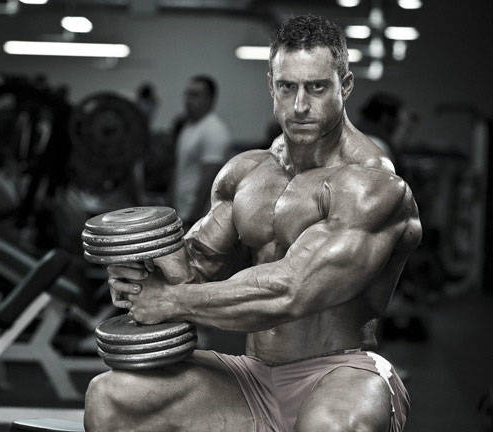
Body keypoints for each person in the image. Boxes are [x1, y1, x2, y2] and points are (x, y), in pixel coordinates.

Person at [85, 14, 421, 432]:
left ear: (345, 86)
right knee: (110, 396)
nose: (300, 105)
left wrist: (169, 301)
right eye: (287, 87)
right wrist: (140, 272)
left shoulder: (371, 183)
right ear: (271, 86)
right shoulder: (246, 174)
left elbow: (290, 291)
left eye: (317, 87)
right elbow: (193, 268)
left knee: (331, 427)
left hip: (342, 373)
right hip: (254, 376)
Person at [172, 75, 231, 228]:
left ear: (211, 99)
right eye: (187, 94)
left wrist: (193, 220)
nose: (188, 100)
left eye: (195, 95)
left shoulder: (214, 130)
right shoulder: (189, 127)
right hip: (181, 214)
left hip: (199, 219)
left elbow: (209, 179)